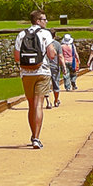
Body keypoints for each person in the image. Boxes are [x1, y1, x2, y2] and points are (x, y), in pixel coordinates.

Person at [14, 10, 56, 150]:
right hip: (42, 71)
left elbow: (17, 57)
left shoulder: (22, 34)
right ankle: (36, 138)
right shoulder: (45, 34)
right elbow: (51, 54)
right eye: (44, 19)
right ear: (38, 21)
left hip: (26, 73)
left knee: (31, 104)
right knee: (39, 104)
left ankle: (33, 135)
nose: (46, 22)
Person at [46, 33, 63, 108]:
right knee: (56, 83)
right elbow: (60, 56)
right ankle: (56, 100)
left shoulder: (43, 43)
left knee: (46, 85)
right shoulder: (57, 44)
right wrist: (64, 67)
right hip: (54, 66)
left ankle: (48, 102)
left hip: (45, 66)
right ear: (54, 36)